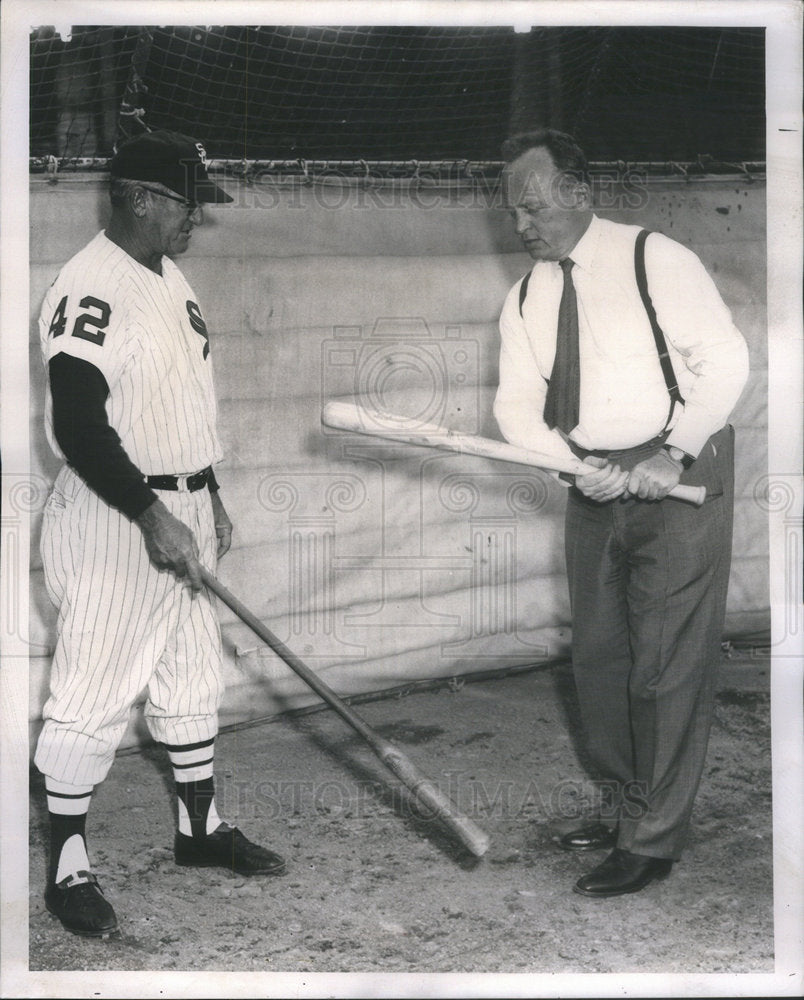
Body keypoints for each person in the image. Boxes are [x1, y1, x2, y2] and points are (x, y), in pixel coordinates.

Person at [35, 130, 286, 939]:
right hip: (118, 519)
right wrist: (151, 514)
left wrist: (207, 496)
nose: (196, 220)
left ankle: (198, 831)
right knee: (91, 692)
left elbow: (180, 409)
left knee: (189, 675)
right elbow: (77, 424)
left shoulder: (171, 278)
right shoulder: (90, 285)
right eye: (186, 202)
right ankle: (68, 865)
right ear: (141, 197)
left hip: (180, 512)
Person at [494, 129, 749, 897]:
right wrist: (579, 469)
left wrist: (670, 453)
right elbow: (515, 406)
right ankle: (624, 805)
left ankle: (653, 838)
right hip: (593, 481)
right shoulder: (528, 295)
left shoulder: (655, 259)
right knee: (600, 661)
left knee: (664, 666)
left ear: (578, 192)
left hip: (681, 471)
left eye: (532, 207)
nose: (521, 226)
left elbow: (726, 359)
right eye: (513, 213)